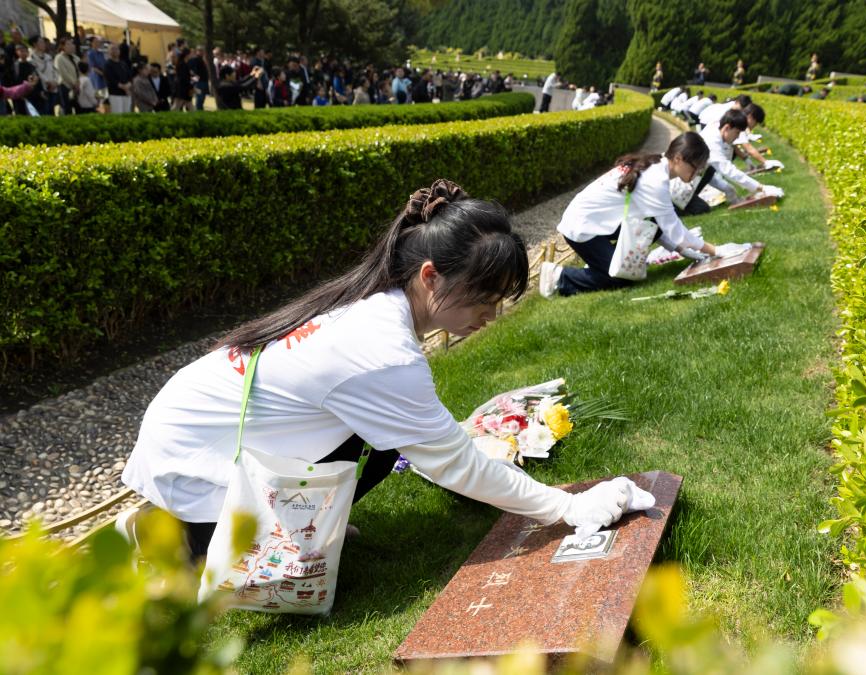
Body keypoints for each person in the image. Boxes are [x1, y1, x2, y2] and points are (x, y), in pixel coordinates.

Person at [119, 179, 655, 562]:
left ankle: (287, 524)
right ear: (430, 277)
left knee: (382, 446)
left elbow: (426, 445)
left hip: (196, 420)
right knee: (380, 451)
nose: (490, 318)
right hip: (192, 456)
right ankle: (179, 535)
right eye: (483, 301)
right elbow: (456, 465)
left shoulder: (375, 303)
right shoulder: (381, 352)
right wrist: (567, 507)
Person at [539, 134, 732, 298]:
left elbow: (656, 225)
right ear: (678, 158)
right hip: (582, 227)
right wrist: (715, 250)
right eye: (695, 167)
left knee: (635, 254)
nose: (697, 173)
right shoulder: (656, 180)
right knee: (621, 278)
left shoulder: (657, 165)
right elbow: (675, 230)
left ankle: (600, 262)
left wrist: (682, 250)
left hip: (597, 221)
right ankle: (560, 276)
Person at [699, 109, 780, 207]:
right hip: (689, 182)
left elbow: (713, 173)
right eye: (737, 133)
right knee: (701, 208)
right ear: (727, 128)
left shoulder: (717, 129)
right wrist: (761, 187)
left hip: (700, 175)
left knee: (727, 189)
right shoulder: (712, 142)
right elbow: (728, 170)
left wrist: (730, 191)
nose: (737, 137)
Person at [28, 34, 58, 114]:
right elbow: (37, 73)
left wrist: (55, 81)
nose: (44, 44)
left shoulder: (48, 57)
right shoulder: (31, 59)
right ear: (35, 44)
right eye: (41, 42)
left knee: (52, 112)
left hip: (53, 88)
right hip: (43, 90)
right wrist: (48, 82)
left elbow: (54, 70)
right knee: (45, 113)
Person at [54, 36, 79, 115]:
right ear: (63, 46)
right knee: (67, 109)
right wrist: (74, 83)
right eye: (68, 44)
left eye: (72, 44)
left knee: (78, 108)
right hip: (65, 86)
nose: (71, 46)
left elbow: (79, 71)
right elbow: (63, 73)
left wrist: (78, 83)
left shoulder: (75, 58)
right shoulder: (59, 58)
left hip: (77, 87)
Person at [104, 43, 132, 113]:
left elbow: (130, 77)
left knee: (127, 113)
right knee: (118, 114)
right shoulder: (107, 64)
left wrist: (128, 86)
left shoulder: (123, 63)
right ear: (108, 52)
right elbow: (111, 80)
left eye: (116, 49)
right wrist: (124, 88)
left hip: (127, 93)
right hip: (115, 94)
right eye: (112, 49)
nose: (115, 51)